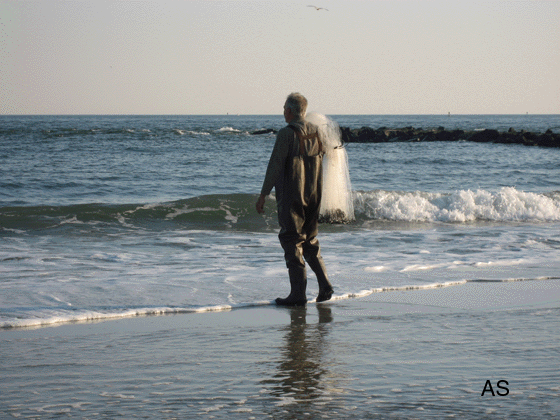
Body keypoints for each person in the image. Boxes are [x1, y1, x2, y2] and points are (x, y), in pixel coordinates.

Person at [256, 93, 334, 306]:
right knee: (310, 241)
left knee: (292, 241)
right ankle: (325, 284)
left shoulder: (286, 134)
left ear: (290, 111)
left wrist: (263, 194)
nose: (283, 112)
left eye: (284, 109)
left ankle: (298, 294)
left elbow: (275, 166)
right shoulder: (317, 131)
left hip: (293, 196)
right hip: (314, 195)